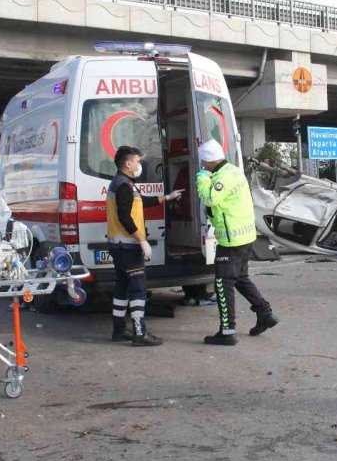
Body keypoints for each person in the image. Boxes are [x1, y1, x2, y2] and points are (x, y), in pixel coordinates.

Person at [196, 139, 278, 346]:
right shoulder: (233, 170)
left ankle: (227, 331)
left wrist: (202, 179)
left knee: (223, 284)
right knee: (240, 278)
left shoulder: (221, 177)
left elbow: (210, 199)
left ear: (210, 160)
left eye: (204, 162)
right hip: (245, 236)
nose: (203, 166)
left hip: (231, 240)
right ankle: (264, 313)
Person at [106, 145, 183, 346]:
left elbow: (142, 202)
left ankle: (118, 330)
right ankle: (139, 333)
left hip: (118, 245)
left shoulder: (122, 183)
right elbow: (124, 217)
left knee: (122, 287)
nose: (140, 164)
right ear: (128, 163)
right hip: (128, 246)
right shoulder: (124, 186)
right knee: (138, 288)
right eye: (138, 161)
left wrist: (167, 197)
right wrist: (142, 240)